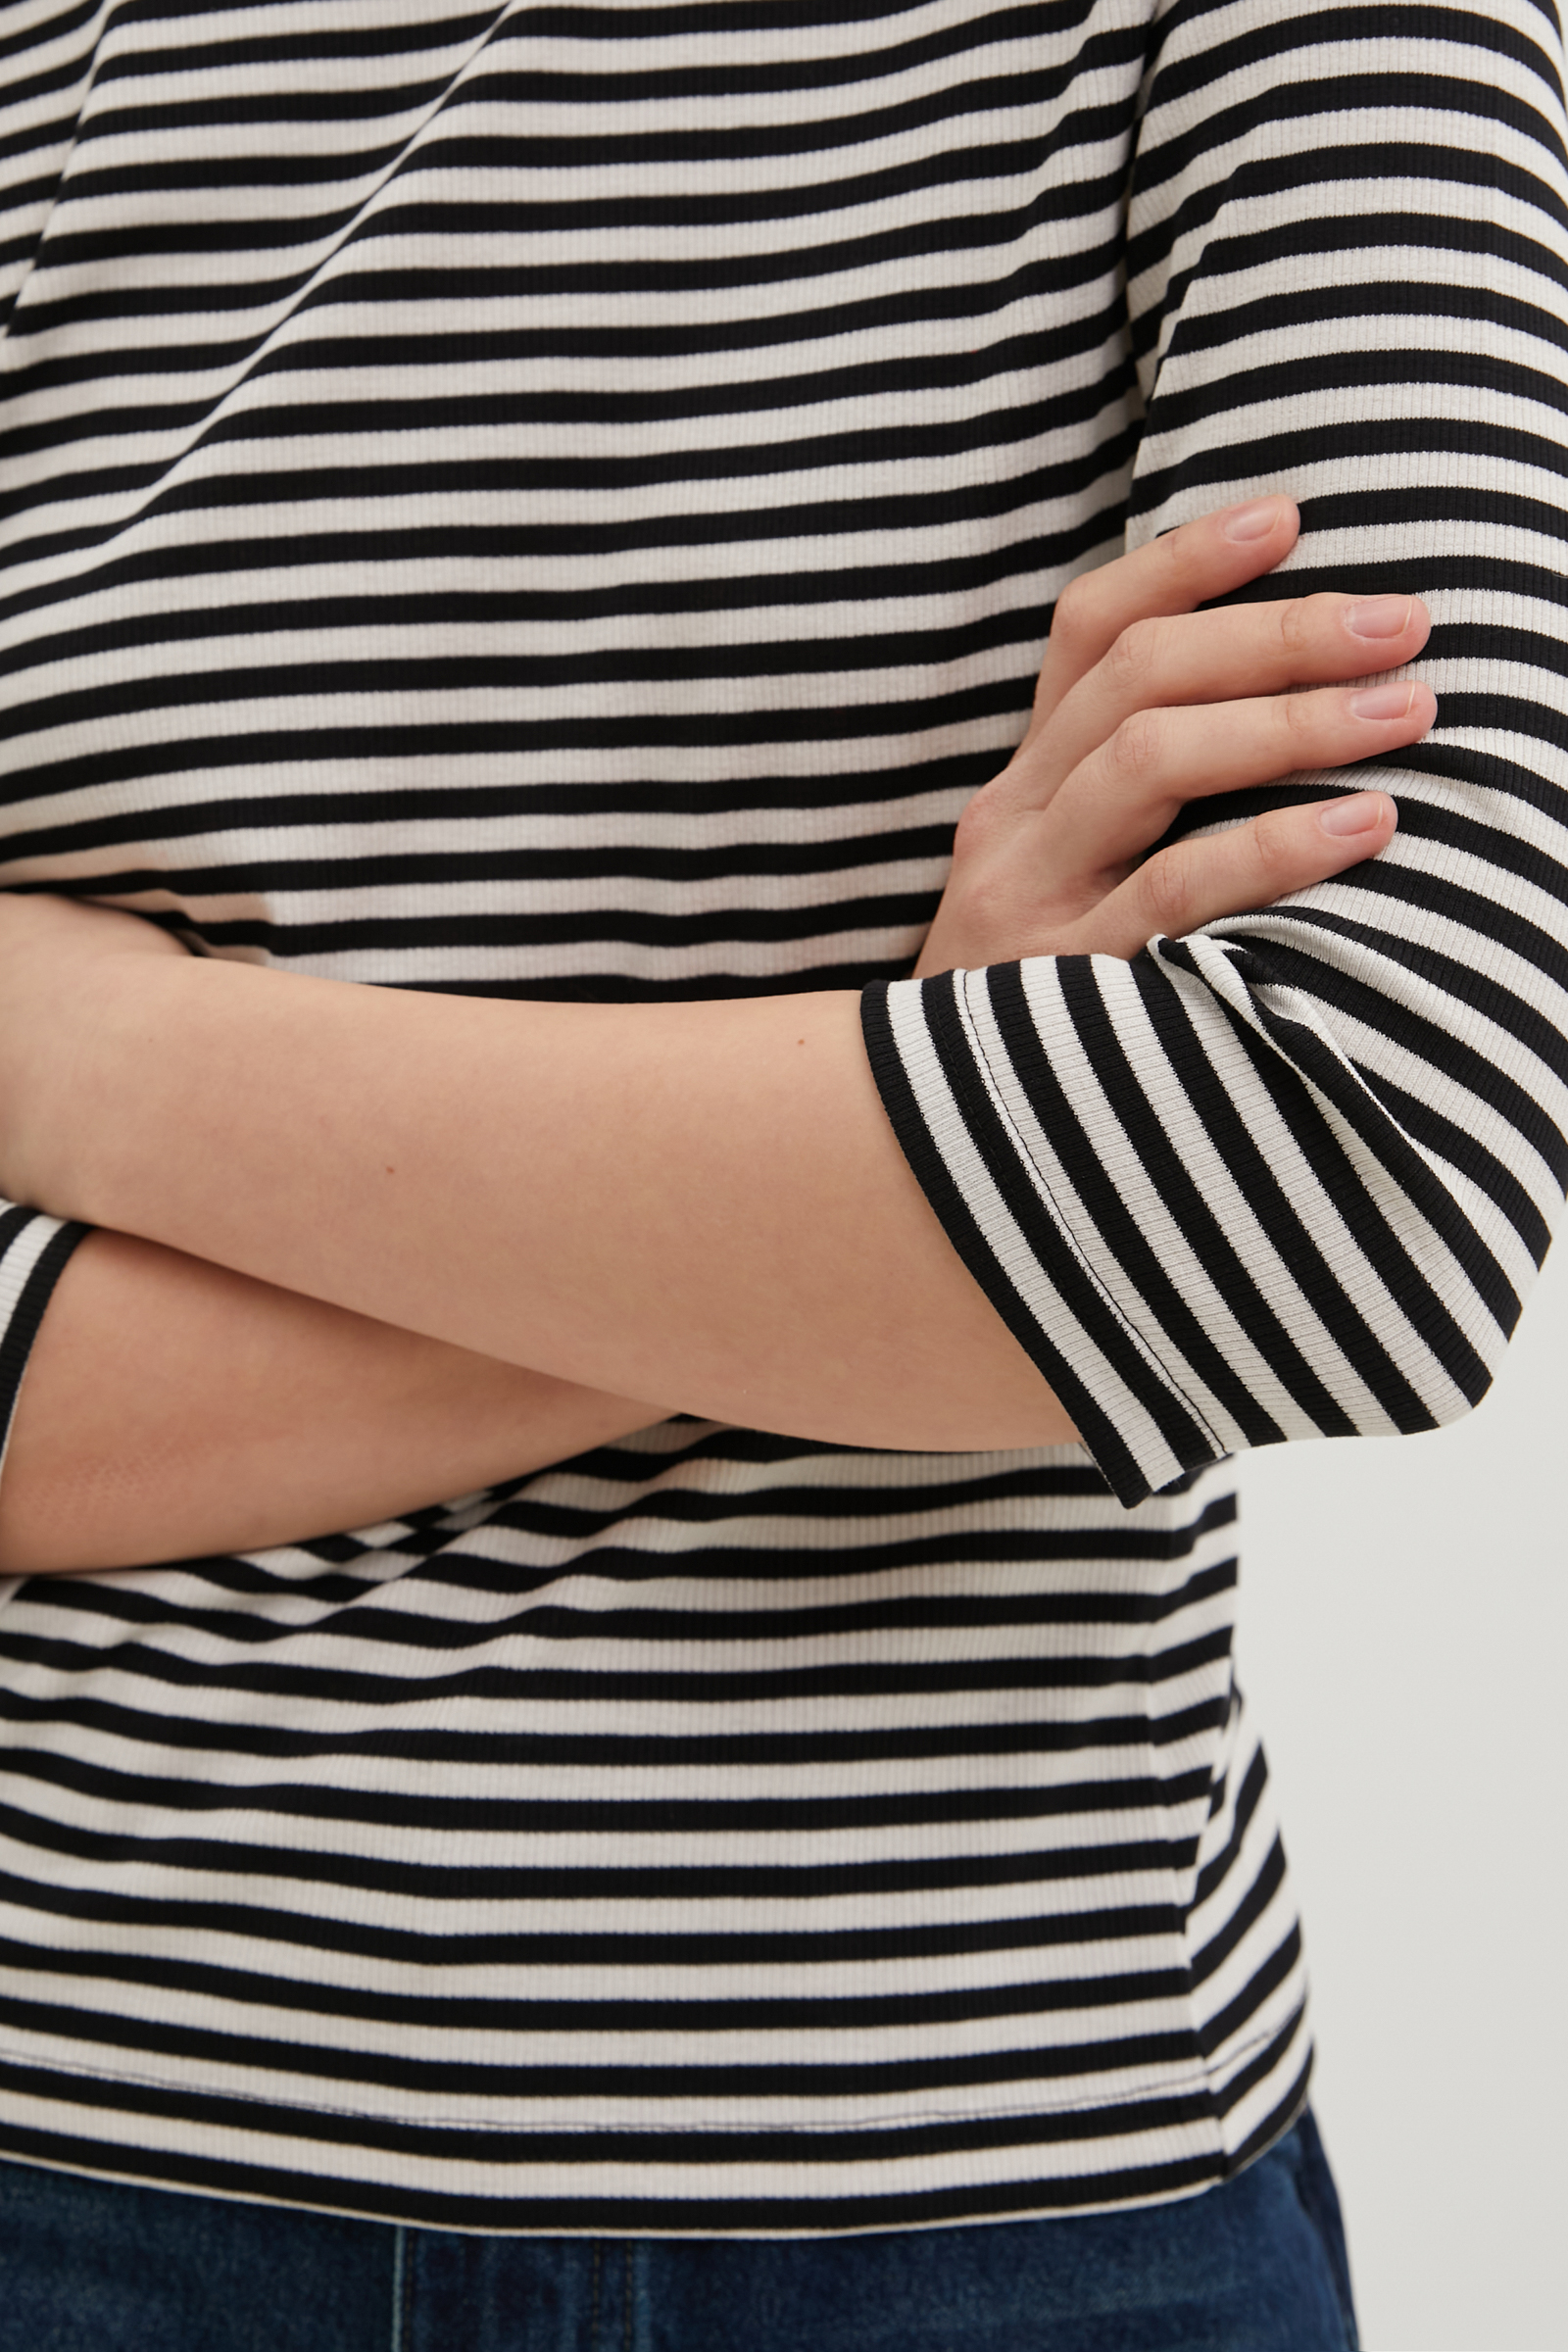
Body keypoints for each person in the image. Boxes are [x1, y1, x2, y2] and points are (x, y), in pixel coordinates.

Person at [0, 0, 1562, 2342]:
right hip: (65, 2172)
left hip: (992, 2214)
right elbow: (1176, 1205)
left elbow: (1349, 1195)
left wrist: (92, 1050)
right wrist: (915, 1117)